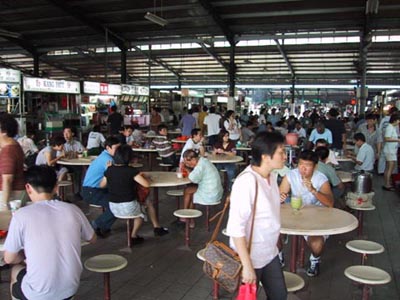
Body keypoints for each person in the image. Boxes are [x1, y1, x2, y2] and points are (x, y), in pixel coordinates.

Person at [4, 165, 96, 300]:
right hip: (70, 289)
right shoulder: (73, 209)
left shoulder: (21, 215)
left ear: (28, 187)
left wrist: (24, 257)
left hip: (38, 294)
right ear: (56, 187)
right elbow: (92, 239)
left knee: (15, 271)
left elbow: (9, 258)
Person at [226, 131, 288, 300]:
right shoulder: (247, 182)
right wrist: (246, 266)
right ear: (266, 157)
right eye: (281, 152)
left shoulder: (272, 177)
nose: (285, 157)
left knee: (279, 295)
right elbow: (235, 228)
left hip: (269, 253)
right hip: (250, 256)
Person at [279, 150, 334, 277]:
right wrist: (280, 197)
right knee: (273, 234)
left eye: (307, 165)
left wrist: (313, 190)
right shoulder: (291, 175)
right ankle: (279, 256)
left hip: (316, 217)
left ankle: (314, 260)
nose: (303, 168)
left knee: (317, 244)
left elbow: (330, 203)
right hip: (295, 214)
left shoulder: (321, 179)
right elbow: (280, 193)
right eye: (300, 164)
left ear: (315, 166)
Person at [100, 145, 148, 244]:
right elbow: (146, 184)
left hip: (113, 207)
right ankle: (133, 236)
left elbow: (102, 185)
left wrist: (108, 169)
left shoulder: (109, 170)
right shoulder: (131, 171)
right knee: (141, 215)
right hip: (128, 206)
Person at [82, 137, 120, 237]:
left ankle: (103, 227)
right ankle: (95, 225)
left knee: (118, 202)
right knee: (117, 205)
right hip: (92, 191)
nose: (118, 151)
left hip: (95, 189)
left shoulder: (104, 156)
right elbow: (115, 177)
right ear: (108, 147)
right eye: (116, 148)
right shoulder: (108, 160)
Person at [181, 149, 223, 227]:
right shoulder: (204, 161)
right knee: (191, 191)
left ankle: (185, 214)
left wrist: (185, 169)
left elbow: (192, 179)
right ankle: (189, 219)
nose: (188, 164)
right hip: (215, 190)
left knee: (188, 191)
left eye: (188, 162)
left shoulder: (200, 166)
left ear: (194, 159)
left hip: (210, 193)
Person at [0, 113, 25, 211]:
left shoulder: (8, 150)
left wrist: (4, 205)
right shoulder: (13, 146)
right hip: (14, 193)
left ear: (4, 131)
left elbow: (7, 179)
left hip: (10, 195)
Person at [382, 112, 400, 191]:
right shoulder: (390, 127)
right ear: (395, 120)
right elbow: (386, 138)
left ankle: (387, 183)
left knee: (388, 168)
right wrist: (398, 139)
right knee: (390, 168)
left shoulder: (392, 127)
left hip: (390, 150)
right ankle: (387, 184)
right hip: (390, 151)